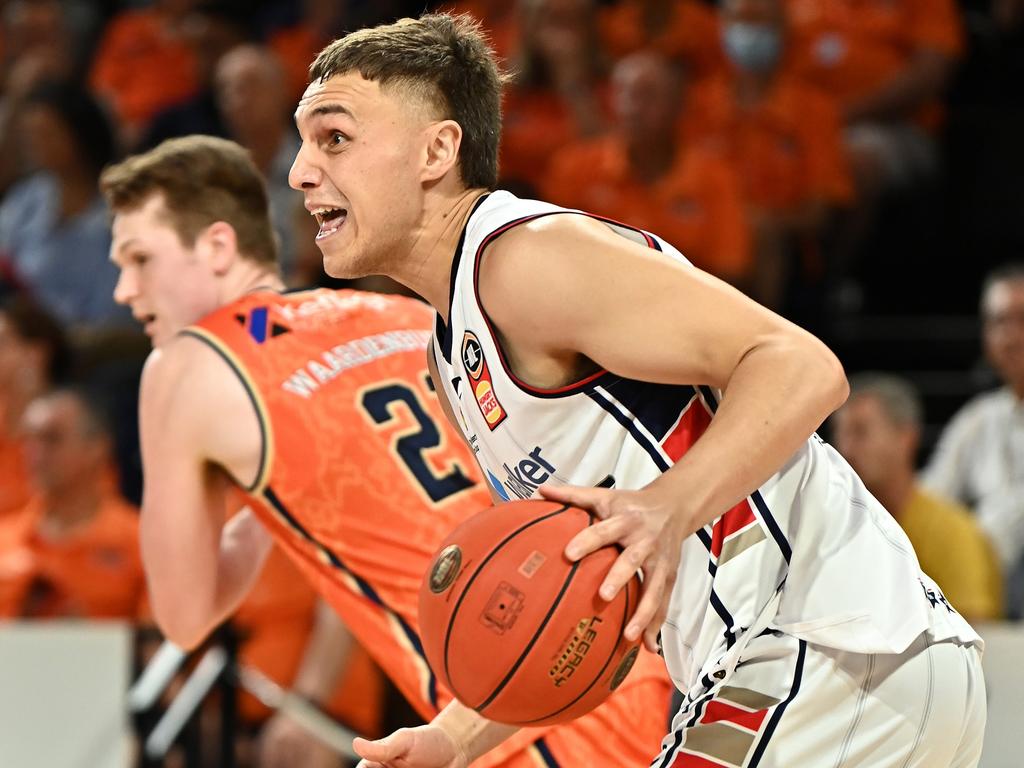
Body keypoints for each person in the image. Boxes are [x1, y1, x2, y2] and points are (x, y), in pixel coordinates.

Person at [287, 14, 985, 767]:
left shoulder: (524, 261)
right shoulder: (453, 352)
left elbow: (801, 365)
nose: (298, 171)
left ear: (436, 150)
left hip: (817, 652)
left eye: (335, 138)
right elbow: (574, 586)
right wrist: (455, 739)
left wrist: (664, 510)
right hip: (841, 668)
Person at [102, 135, 672, 767]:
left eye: (139, 259)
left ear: (215, 247)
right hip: (621, 647)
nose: (126, 290)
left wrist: (266, 514)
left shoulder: (183, 366)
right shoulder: (398, 318)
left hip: (511, 686)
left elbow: (185, 615)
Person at [833, 373, 1003, 622]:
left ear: (906, 437)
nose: (845, 448)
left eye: (860, 432)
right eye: (841, 432)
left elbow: (978, 634)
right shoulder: (834, 524)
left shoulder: (952, 532)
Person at [923, 263, 1024, 618]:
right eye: (999, 322)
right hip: (988, 589)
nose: (1011, 337)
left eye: (1022, 319)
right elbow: (928, 504)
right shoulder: (978, 420)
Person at [0, 387, 145, 620]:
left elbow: (158, 645)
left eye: (52, 438)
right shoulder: (4, 539)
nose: (34, 453)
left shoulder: (140, 541)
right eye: (29, 439)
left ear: (97, 447)